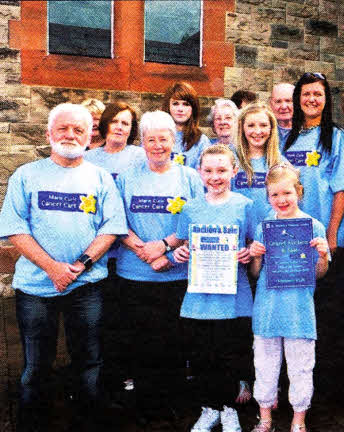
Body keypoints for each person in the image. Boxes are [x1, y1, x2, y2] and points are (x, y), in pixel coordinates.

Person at [0, 103, 127, 431]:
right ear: (49, 133)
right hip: (35, 287)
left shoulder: (100, 178)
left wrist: (79, 265)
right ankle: (31, 423)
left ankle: (86, 421)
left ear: (89, 137)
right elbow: (15, 228)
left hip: (87, 286)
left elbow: (111, 228)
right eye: (63, 128)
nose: (70, 135)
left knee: (88, 361)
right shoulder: (26, 175)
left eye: (79, 130)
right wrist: (52, 268)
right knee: (35, 366)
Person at [115, 111, 204, 421]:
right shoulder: (127, 177)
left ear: (173, 141)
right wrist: (144, 250)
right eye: (150, 139)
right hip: (134, 273)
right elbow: (117, 221)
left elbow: (197, 221)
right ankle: (144, 404)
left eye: (163, 138)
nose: (157, 145)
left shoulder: (189, 177)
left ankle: (174, 403)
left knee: (175, 341)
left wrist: (165, 249)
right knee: (140, 342)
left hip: (176, 274)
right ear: (142, 142)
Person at [172, 144, 254, 432]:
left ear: (234, 171)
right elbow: (182, 245)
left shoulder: (245, 205)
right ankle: (209, 408)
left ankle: (229, 409)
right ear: (199, 172)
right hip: (200, 298)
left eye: (222, 170)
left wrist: (249, 253)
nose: (215, 176)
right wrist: (177, 255)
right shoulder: (191, 207)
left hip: (233, 298)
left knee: (229, 354)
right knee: (203, 356)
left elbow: (255, 245)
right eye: (208, 170)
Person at [248, 163, 329, 432]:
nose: (281, 200)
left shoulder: (313, 226)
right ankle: (266, 418)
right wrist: (256, 255)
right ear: (267, 197)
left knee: (301, 365)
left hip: (299, 309)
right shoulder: (264, 227)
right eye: (274, 195)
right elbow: (256, 273)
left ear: (299, 192)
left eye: (287, 193)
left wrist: (322, 255)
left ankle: (298, 420)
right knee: (265, 364)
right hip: (268, 308)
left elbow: (319, 274)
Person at [83, 101, 145, 396]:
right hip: (99, 255)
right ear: (105, 124)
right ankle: (97, 376)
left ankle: (126, 374)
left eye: (126, 123)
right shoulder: (89, 159)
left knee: (126, 319)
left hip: (131, 255)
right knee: (98, 319)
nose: (120, 127)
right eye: (115, 121)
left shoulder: (140, 156)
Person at [283, 72, 344, 255]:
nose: (311, 99)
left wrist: (332, 234)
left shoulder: (337, 137)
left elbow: (341, 190)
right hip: (290, 231)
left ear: (326, 99)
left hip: (323, 232)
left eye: (317, 94)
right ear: (298, 99)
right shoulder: (287, 139)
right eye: (306, 94)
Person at [233, 103, 284, 235]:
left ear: (271, 128)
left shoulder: (281, 163)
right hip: (237, 239)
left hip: (270, 237)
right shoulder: (230, 160)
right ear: (242, 128)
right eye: (251, 125)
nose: (257, 131)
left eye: (263, 125)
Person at [162, 81, 211, 169]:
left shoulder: (201, 142)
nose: (180, 109)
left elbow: (206, 174)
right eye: (175, 104)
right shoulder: (155, 135)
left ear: (193, 108)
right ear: (168, 106)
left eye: (186, 104)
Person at [269, 83, 294, 147]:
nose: (283, 106)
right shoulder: (264, 132)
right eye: (278, 101)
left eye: (288, 101)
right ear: (271, 104)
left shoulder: (309, 131)